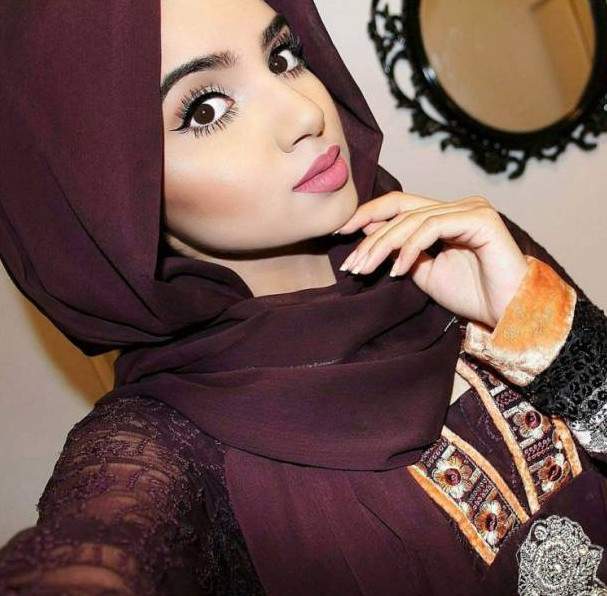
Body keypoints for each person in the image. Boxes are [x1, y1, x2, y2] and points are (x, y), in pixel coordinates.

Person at [0, 1, 605, 594]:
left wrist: (557, 337)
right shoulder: (165, 447)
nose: (304, 114)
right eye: (207, 109)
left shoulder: (464, 257)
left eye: (283, 58)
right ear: (104, 193)